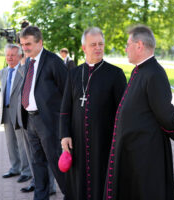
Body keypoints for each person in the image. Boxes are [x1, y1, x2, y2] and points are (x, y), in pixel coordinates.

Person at [104, 25, 174, 200]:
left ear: (139, 45)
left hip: (146, 152)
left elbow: (164, 113)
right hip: (135, 150)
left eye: (128, 44)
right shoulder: (139, 70)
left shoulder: (154, 73)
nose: (125, 48)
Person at [60, 27, 126, 200]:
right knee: (78, 185)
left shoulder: (115, 74)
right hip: (77, 142)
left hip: (104, 142)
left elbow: (123, 111)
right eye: (93, 44)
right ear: (84, 48)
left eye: (101, 44)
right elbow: (65, 108)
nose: (98, 48)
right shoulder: (73, 73)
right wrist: (64, 135)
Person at [19, 26, 68, 200]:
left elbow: (67, 93)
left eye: (28, 44)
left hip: (49, 122)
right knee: (37, 163)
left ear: (40, 42)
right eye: (22, 44)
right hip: (30, 120)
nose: (24, 48)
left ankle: (70, 194)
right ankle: (40, 197)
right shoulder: (29, 62)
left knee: (56, 164)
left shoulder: (53, 61)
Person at [0, 44, 32, 183]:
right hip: (6, 111)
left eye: (13, 55)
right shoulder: (3, 72)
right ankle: (15, 168)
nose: (10, 58)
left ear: (20, 56)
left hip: (19, 112)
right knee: (10, 142)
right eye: (8, 55)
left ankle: (26, 171)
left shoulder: (24, 71)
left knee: (22, 143)